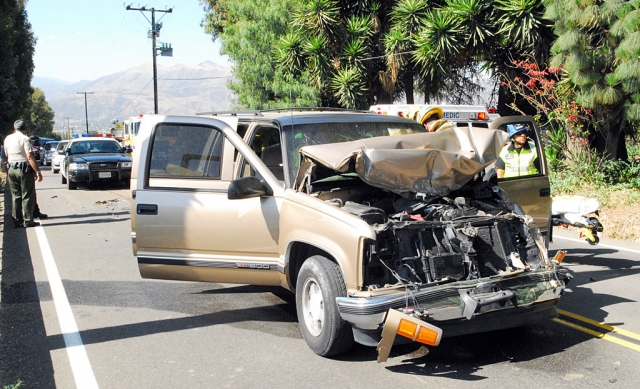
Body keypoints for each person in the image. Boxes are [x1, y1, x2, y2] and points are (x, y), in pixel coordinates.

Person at [4, 120, 44, 227]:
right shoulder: (25, 139)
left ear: (15, 128)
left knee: (16, 195)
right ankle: (28, 220)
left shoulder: (7, 138)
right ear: (25, 129)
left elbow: (6, 153)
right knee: (27, 195)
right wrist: (37, 171)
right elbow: (30, 156)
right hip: (24, 169)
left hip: (11, 168)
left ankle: (17, 220)